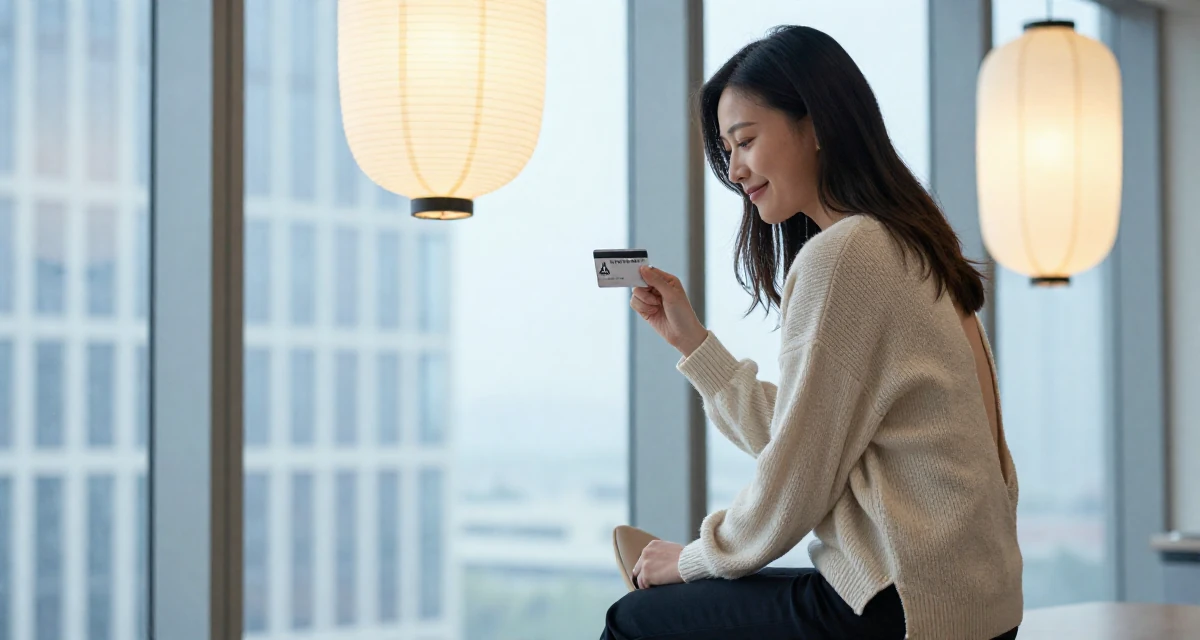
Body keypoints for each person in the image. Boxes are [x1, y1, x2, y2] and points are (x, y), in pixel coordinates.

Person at [600, 25, 1023, 640]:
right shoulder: (907, 246)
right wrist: (694, 346)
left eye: (745, 140)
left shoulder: (845, 255)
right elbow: (812, 439)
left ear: (817, 125)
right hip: (972, 606)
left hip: (907, 610)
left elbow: (796, 479)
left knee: (635, 619)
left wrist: (694, 557)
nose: (736, 169)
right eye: (726, 150)